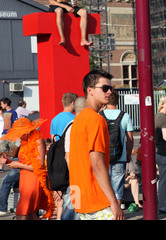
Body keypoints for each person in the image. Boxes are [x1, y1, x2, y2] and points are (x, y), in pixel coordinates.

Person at [69, 69, 124, 220]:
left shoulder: (79, 119)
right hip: (98, 199)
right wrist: (114, 202)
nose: (109, 92)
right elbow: (97, 163)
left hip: (82, 200)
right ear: (90, 90)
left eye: (111, 88)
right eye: (105, 88)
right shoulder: (96, 119)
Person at [0, 118, 55, 220]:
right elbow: (24, 162)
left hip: (33, 179)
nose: (18, 136)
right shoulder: (24, 142)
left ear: (26, 131)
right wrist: (8, 161)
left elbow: (40, 166)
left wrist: (18, 165)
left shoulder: (38, 141)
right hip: (25, 179)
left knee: (22, 214)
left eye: (20, 133)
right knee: (30, 215)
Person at [101, 89, 134, 210]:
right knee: (118, 186)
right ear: (118, 100)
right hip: (120, 156)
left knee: (105, 185)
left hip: (103, 157)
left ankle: (107, 212)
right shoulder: (125, 116)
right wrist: (129, 153)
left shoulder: (100, 116)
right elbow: (130, 138)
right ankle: (117, 213)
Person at [60, 96, 85, 220]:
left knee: (72, 208)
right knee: (73, 210)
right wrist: (75, 179)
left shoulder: (68, 125)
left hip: (73, 176)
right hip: (76, 177)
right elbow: (68, 155)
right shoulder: (76, 126)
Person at [0, 140, 20, 215]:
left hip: (20, 163)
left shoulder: (20, 138)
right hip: (18, 162)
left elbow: (14, 154)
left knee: (6, 181)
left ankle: (2, 208)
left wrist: (5, 153)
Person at [0, 98, 18, 171]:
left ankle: (15, 166)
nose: (1, 105)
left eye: (2, 104)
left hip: (11, 134)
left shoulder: (13, 112)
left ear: (6, 104)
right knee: (2, 150)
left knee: (13, 152)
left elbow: (16, 122)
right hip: (4, 134)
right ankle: (1, 167)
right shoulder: (4, 113)